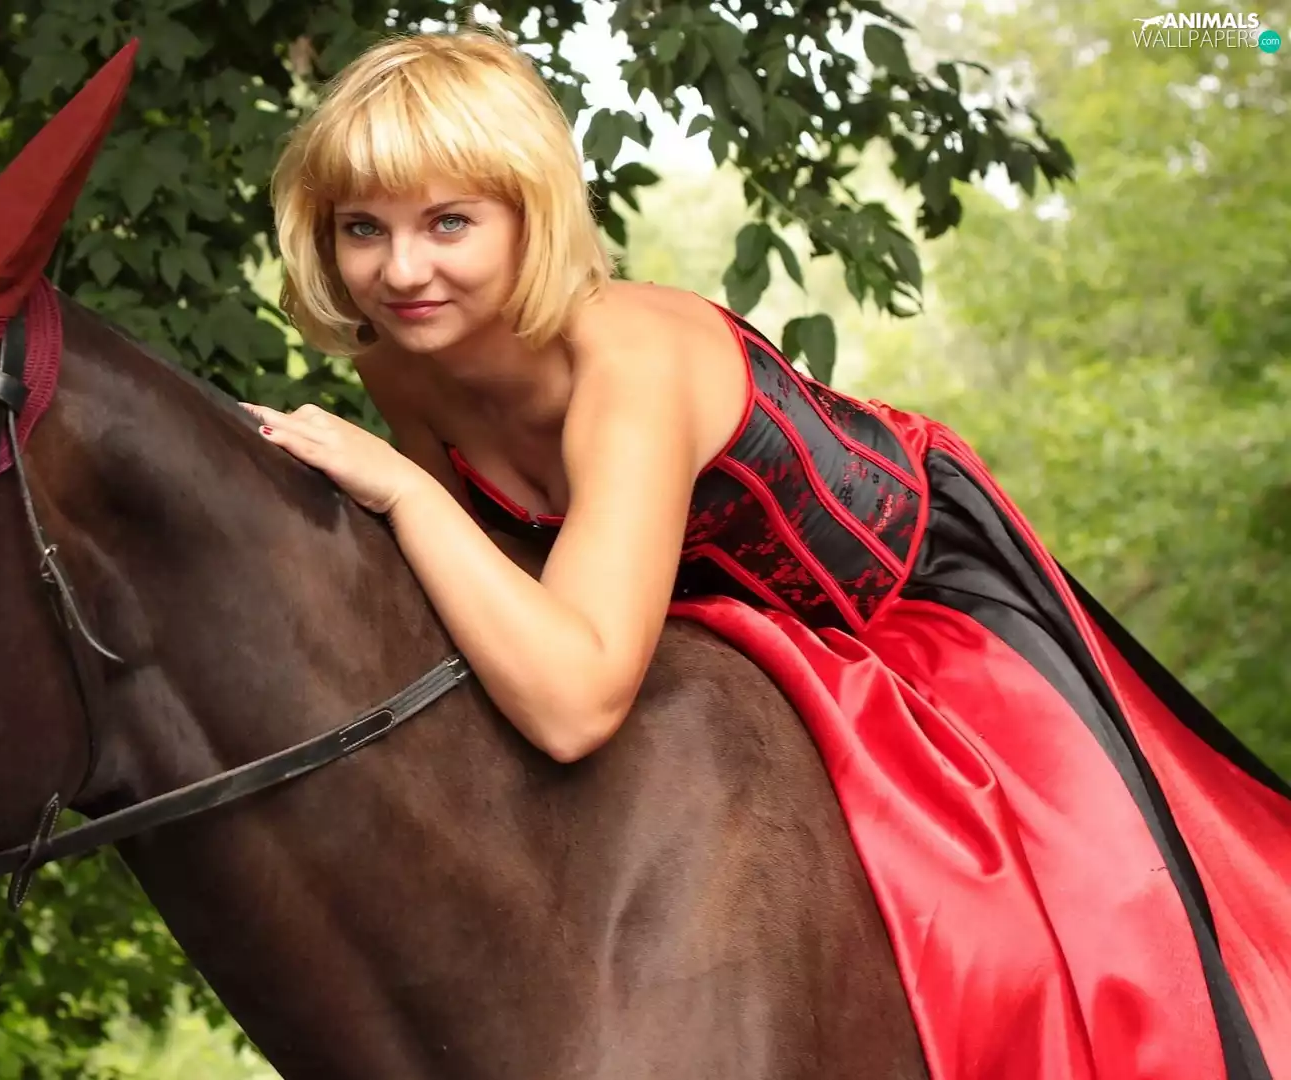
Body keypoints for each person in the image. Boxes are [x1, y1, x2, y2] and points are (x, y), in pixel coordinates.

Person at [239, 27, 1291, 1080]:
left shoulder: (630, 362)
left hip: (911, 615)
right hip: (709, 658)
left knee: (1084, 948)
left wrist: (406, 492)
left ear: (531, 216)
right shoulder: (405, 373)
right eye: (362, 229)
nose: (401, 270)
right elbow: (497, 598)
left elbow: (571, 704)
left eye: (450, 222)